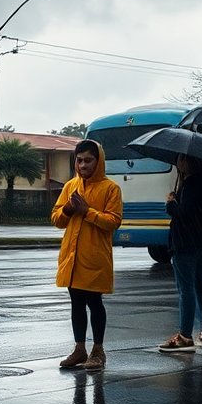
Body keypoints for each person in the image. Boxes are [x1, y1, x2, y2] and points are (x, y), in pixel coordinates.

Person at [52, 139, 123, 371]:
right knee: (76, 303)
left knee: (95, 302)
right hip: (72, 258)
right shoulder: (70, 186)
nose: (83, 165)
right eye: (79, 160)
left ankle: (98, 350)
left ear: (98, 161)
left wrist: (87, 212)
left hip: (95, 257)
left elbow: (113, 221)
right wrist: (69, 209)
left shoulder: (110, 188)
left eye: (88, 160)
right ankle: (80, 349)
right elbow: (56, 220)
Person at [159, 154, 202, 352]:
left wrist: (170, 203)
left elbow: (183, 213)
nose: (177, 162)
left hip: (186, 242)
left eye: (179, 159)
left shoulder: (191, 184)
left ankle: (185, 335)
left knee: (186, 288)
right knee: (201, 284)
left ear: (187, 161)